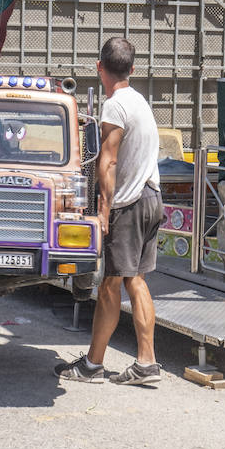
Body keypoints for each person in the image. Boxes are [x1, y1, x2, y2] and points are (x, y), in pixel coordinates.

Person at [55, 37, 163, 386]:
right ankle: (146, 362)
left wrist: (103, 211)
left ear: (99, 67)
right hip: (151, 195)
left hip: (129, 205)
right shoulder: (139, 101)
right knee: (135, 280)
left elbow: (109, 159)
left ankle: (92, 365)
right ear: (132, 69)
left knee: (109, 286)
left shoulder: (115, 106)